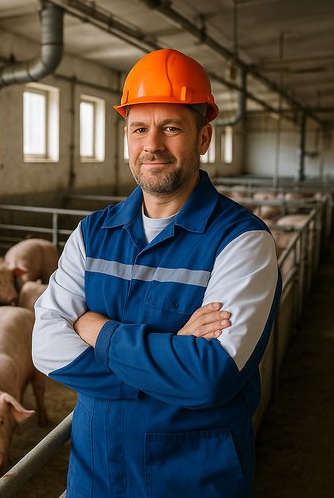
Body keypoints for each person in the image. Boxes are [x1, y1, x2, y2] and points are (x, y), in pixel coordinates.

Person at [32, 48, 281, 497]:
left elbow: (210, 376)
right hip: (96, 476)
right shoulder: (92, 233)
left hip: (191, 480)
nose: (152, 145)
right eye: (139, 129)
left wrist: (95, 328)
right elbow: (46, 347)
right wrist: (171, 358)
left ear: (203, 137)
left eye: (171, 128)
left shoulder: (242, 241)